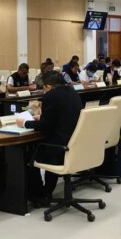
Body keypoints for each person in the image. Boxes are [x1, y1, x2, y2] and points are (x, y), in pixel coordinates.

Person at [16, 71, 82, 204]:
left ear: (48, 86)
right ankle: (47, 192)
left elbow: (45, 126)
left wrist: (24, 123)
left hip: (59, 149)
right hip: (73, 144)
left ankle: (39, 195)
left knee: (27, 153)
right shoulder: (73, 92)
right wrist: (43, 117)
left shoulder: (51, 95)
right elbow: (62, 115)